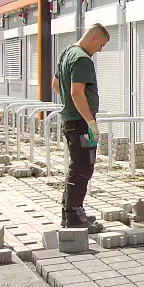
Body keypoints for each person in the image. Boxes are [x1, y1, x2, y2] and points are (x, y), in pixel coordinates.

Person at [51, 23, 110, 233]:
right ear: (94, 38)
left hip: (71, 121)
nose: (100, 50)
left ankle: (71, 213)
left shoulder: (67, 52)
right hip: (81, 123)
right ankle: (75, 217)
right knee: (84, 167)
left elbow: (56, 85)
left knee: (77, 166)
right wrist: (90, 122)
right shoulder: (82, 59)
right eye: (101, 45)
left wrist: (70, 105)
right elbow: (77, 92)